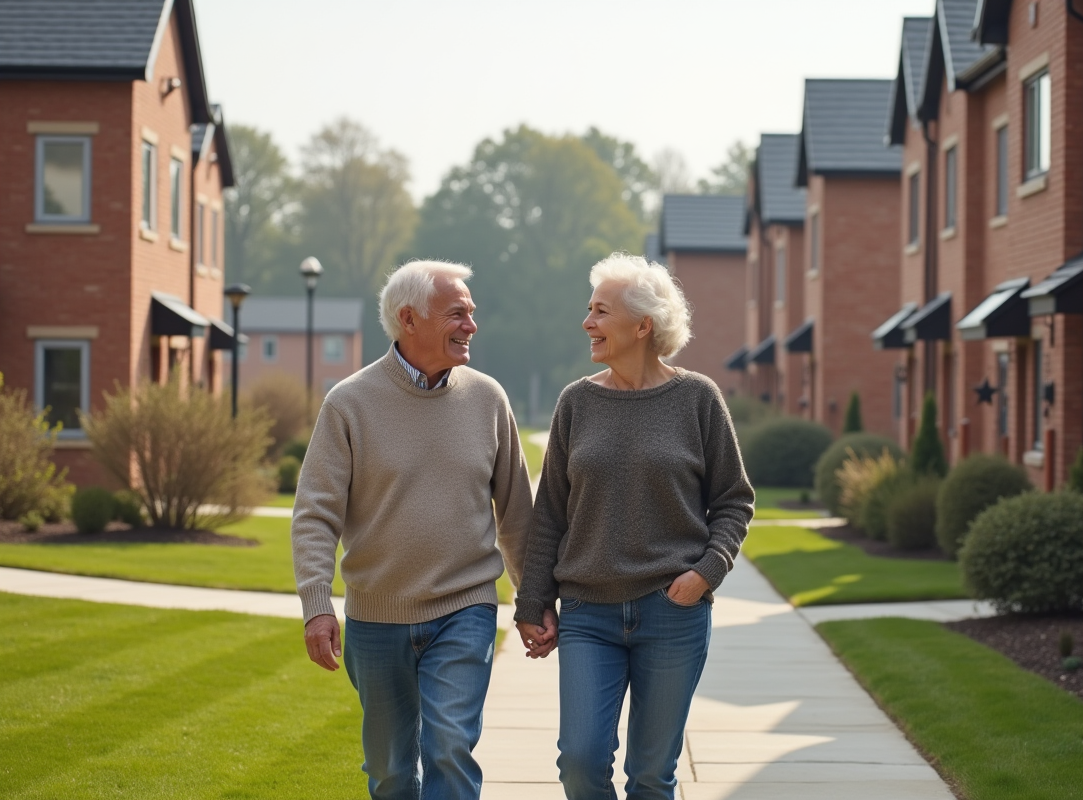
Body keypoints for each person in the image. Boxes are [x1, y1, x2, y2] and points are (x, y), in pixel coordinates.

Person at [291, 260, 537, 800]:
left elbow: (517, 513)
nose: (471, 325)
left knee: (450, 747)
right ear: (408, 318)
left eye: (471, 313)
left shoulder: (488, 399)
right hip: (376, 616)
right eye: (457, 314)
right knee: (390, 772)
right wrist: (316, 605)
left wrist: (532, 599)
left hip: (465, 605)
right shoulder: (349, 403)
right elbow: (315, 513)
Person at [514, 252, 754, 800]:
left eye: (601, 311)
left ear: (642, 325)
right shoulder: (577, 402)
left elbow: (734, 501)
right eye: (589, 310)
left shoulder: (698, 399)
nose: (587, 323)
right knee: (580, 761)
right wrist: (533, 602)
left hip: (671, 613)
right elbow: (550, 510)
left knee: (651, 776)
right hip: (587, 613)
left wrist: (705, 574)